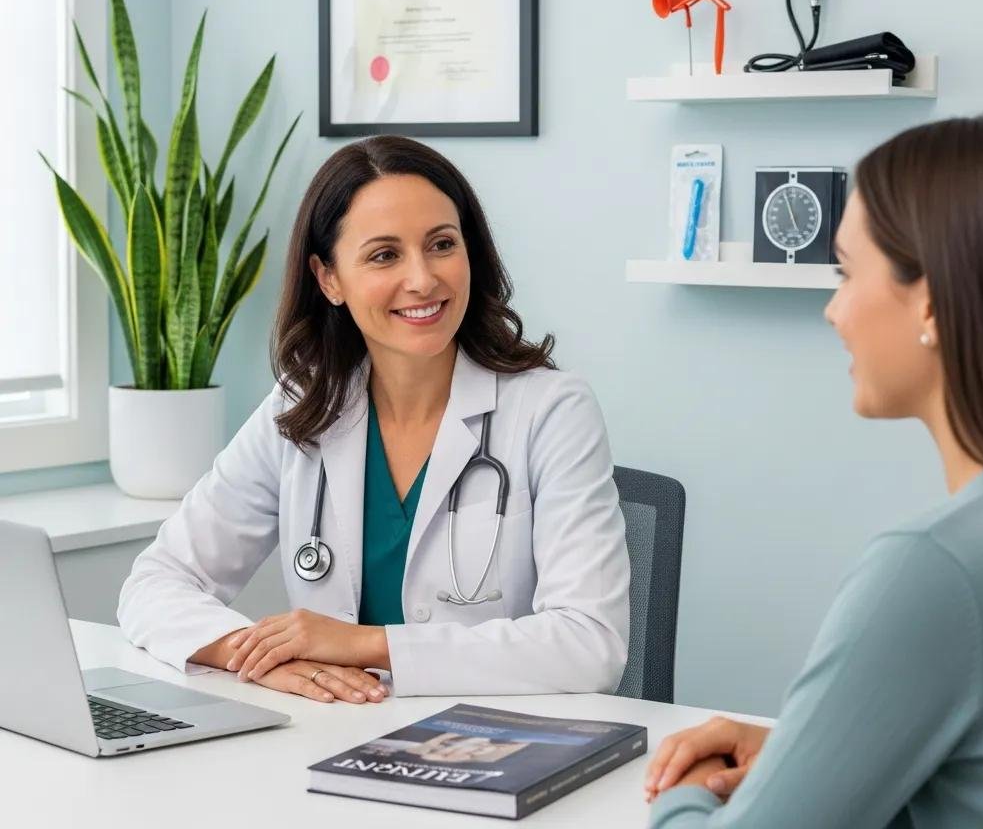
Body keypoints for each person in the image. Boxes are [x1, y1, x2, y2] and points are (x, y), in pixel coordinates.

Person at [118, 135, 629, 705]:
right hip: (339, 736)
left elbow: (591, 645)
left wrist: (365, 645)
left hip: (494, 747)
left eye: (442, 244)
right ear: (329, 278)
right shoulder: (303, 407)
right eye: (385, 255)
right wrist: (256, 654)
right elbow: (154, 582)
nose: (422, 279)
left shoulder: (551, 412)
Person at [646, 114, 983, 827]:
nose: (833, 310)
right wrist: (809, 755)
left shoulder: (941, 568)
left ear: (932, 302)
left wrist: (683, 795)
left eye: (848, 273)